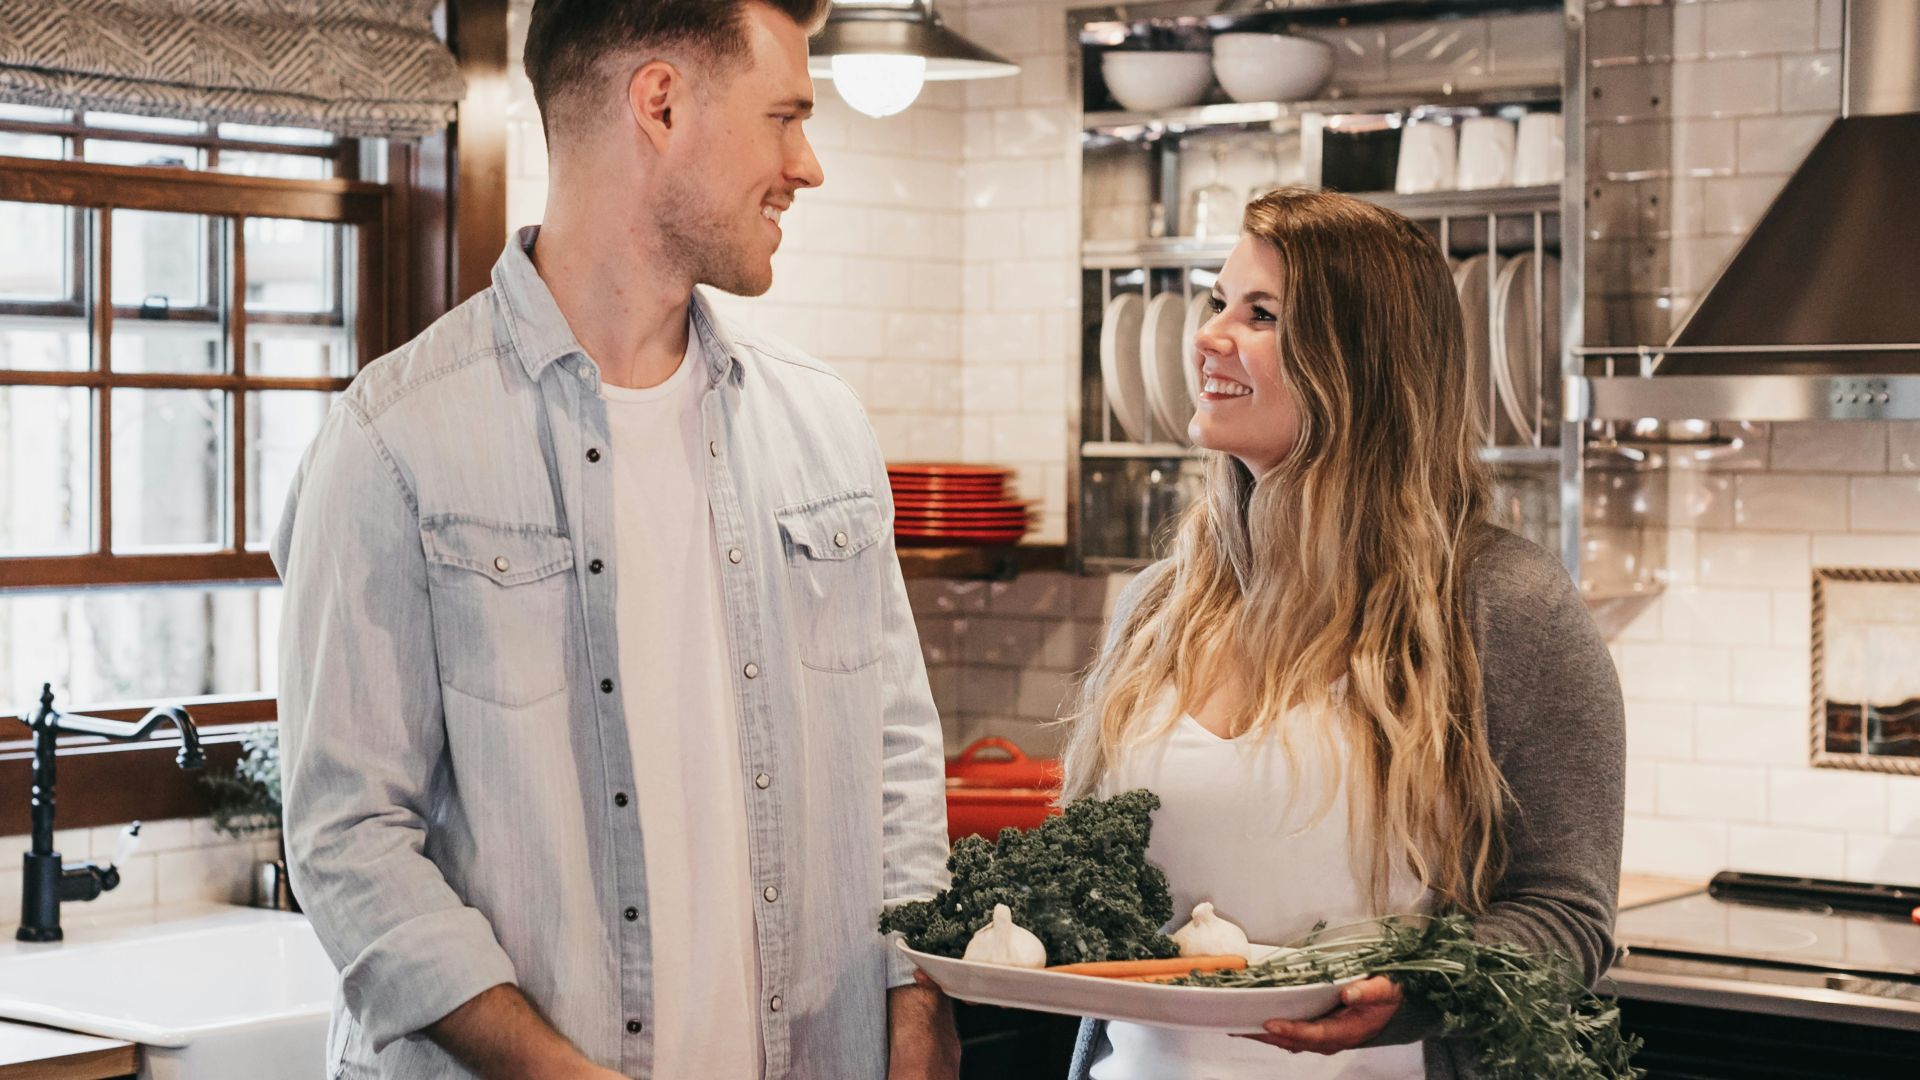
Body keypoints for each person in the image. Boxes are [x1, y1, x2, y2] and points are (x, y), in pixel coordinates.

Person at [270, 1, 957, 1077]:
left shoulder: (824, 429)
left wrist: (916, 1000)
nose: (806, 165)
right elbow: (347, 838)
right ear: (661, 102)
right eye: (783, 116)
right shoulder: (393, 444)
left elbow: (898, 761)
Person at [1060, 188, 1625, 1080]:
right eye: (1217, 304)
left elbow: (1565, 911)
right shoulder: (1158, 607)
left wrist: (1422, 992)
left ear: (1360, 360)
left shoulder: (1504, 607)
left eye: (1261, 314)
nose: (1209, 336)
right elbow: (1097, 896)